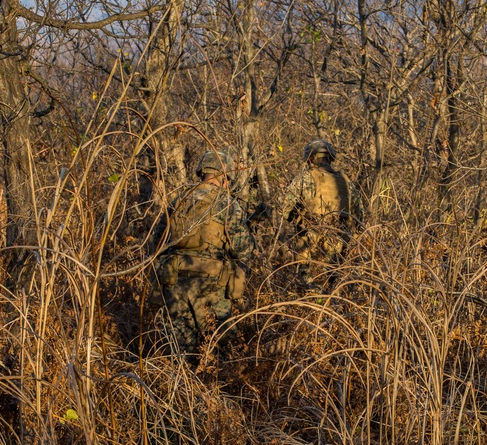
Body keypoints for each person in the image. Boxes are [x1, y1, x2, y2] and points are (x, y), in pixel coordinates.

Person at [151, 150, 254, 356]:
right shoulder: (228, 204)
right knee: (221, 348)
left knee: (178, 351)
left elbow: (157, 242)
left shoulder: (179, 200)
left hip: (175, 282)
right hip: (211, 287)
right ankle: (216, 387)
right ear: (225, 177)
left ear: (202, 172)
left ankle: (180, 387)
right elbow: (242, 248)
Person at [278, 138, 364, 269]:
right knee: (333, 283)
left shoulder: (305, 178)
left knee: (307, 282)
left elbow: (282, 206)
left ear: (310, 159)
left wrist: (294, 218)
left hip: (308, 243)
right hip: (338, 243)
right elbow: (359, 214)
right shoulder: (345, 182)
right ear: (330, 158)